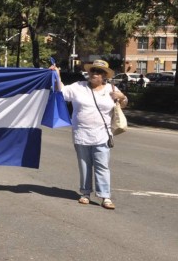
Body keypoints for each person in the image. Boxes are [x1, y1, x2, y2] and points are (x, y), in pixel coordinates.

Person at [50, 59, 128, 210]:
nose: (94, 74)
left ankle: (105, 196)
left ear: (105, 76)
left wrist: (122, 97)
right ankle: (85, 193)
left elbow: (123, 103)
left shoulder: (111, 89)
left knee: (102, 166)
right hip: (81, 133)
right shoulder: (78, 87)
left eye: (99, 72)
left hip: (102, 134)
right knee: (84, 165)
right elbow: (61, 91)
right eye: (92, 71)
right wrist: (56, 75)